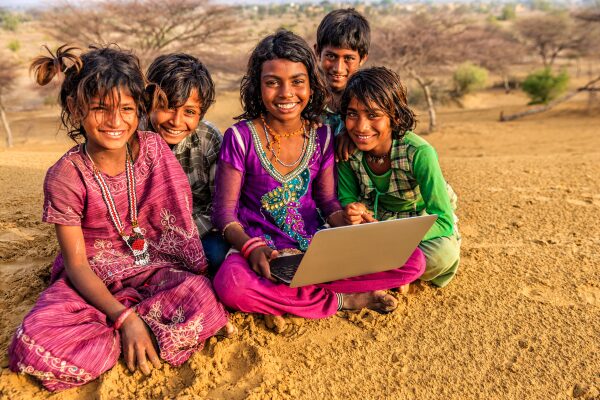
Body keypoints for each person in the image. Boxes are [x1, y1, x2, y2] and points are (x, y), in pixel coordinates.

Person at [9, 45, 232, 392]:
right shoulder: (66, 176)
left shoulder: (154, 150)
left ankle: (126, 333)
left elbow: (178, 230)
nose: (115, 122)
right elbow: (78, 265)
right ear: (75, 108)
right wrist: (124, 317)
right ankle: (136, 330)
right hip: (95, 275)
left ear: (138, 109)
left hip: (153, 265)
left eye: (126, 109)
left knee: (202, 295)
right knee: (34, 343)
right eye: (100, 109)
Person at [211, 30, 425, 325]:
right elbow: (223, 213)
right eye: (273, 82)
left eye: (298, 82)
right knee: (231, 286)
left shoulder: (322, 136)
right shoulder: (240, 137)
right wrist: (251, 247)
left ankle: (292, 297)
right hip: (262, 253)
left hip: (314, 250)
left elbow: (327, 202)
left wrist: (350, 224)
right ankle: (342, 299)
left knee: (413, 261)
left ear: (312, 84)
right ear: (257, 87)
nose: (286, 93)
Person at [338, 67, 460, 288]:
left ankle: (392, 273)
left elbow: (442, 221)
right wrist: (354, 212)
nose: (361, 126)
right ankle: (399, 275)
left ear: (394, 116)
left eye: (373, 114)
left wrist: (393, 238)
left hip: (417, 225)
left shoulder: (419, 153)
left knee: (442, 254)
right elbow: (347, 199)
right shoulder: (348, 151)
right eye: (352, 114)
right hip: (376, 225)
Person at [146, 53, 229, 274]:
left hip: (196, 230)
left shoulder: (208, 139)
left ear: (201, 114)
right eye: (168, 107)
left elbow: (218, 205)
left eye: (189, 112)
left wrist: (183, 235)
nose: (176, 121)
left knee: (218, 255)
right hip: (144, 233)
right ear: (148, 101)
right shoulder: (133, 137)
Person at [314, 8, 369, 160]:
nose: (338, 68)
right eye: (331, 56)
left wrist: (353, 134)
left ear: (363, 58)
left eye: (349, 58)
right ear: (317, 52)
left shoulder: (371, 102)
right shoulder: (305, 102)